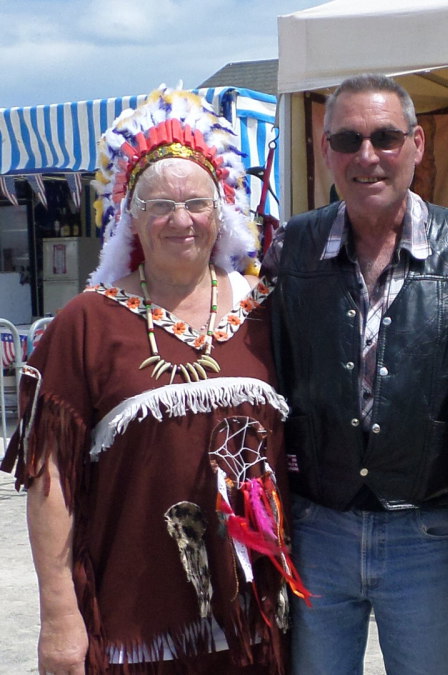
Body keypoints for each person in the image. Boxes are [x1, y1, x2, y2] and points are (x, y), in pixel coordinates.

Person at [1, 87, 306, 674]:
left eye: (196, 203)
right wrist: (59, 615)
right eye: (159, 204)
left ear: (222, 210)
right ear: (130, 215)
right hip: (138, 627)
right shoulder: (86, 323)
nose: (180, 220)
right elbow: (50, 479)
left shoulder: (269, 309)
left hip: (258, 624)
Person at [266, 73, 448, 674]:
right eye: (348, 140)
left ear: (417, 145)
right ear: (326, 151)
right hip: (318, 528)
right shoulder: (291, 249)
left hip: (429, 533)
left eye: (385, 138)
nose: (367, 156)